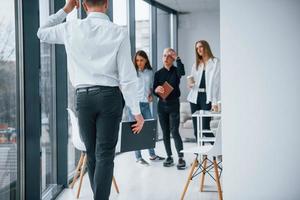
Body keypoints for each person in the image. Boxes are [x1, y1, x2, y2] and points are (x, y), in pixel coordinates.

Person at [37, 0, 144, 199]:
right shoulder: (119, 32)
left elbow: (42, 32)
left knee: (92, 154)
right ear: (106, 5)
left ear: (84, 6)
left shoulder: (70, 27)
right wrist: (136, 112)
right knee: (105, 155)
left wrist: (66, 9)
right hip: (110, 98)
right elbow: (127, 77)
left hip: (83, 98)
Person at [125, 50, 165, 165]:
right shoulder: (132, 72)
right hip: (134, 106)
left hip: (145, 105)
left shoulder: (150, 72)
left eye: (141, 60)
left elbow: (151, 87)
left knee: (149, 129)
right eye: (137, 60)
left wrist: (151, 94)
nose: (139, 63)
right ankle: (138, 157)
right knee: (136, 130)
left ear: (146, 60)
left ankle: (152, 155)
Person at [153, 48, 186, 170]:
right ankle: (169, 156)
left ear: (172, 58)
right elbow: (154, 89)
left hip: (173, 105)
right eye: (164, 56)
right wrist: (156, 90)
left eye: (169, 56)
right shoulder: (158, 73)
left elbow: (182, 72)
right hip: (161, 105)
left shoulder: (176, 71)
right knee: (165, 132)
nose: (166, 58)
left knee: (174, 131)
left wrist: (177, 58)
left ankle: (181, 157)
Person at [187, 40, 221, 140]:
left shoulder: (215, 62)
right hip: (194, 97)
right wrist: (190, 84)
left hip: (207, 97)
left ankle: (218, 151)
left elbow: (217, 83)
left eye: (201, 47)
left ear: (206, 47)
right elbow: (192, 82)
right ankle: (200, 155)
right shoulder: (196, 65)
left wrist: (215, 101)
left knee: (205, 128)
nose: (199, 50)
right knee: (197, 130)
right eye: (197, 48)